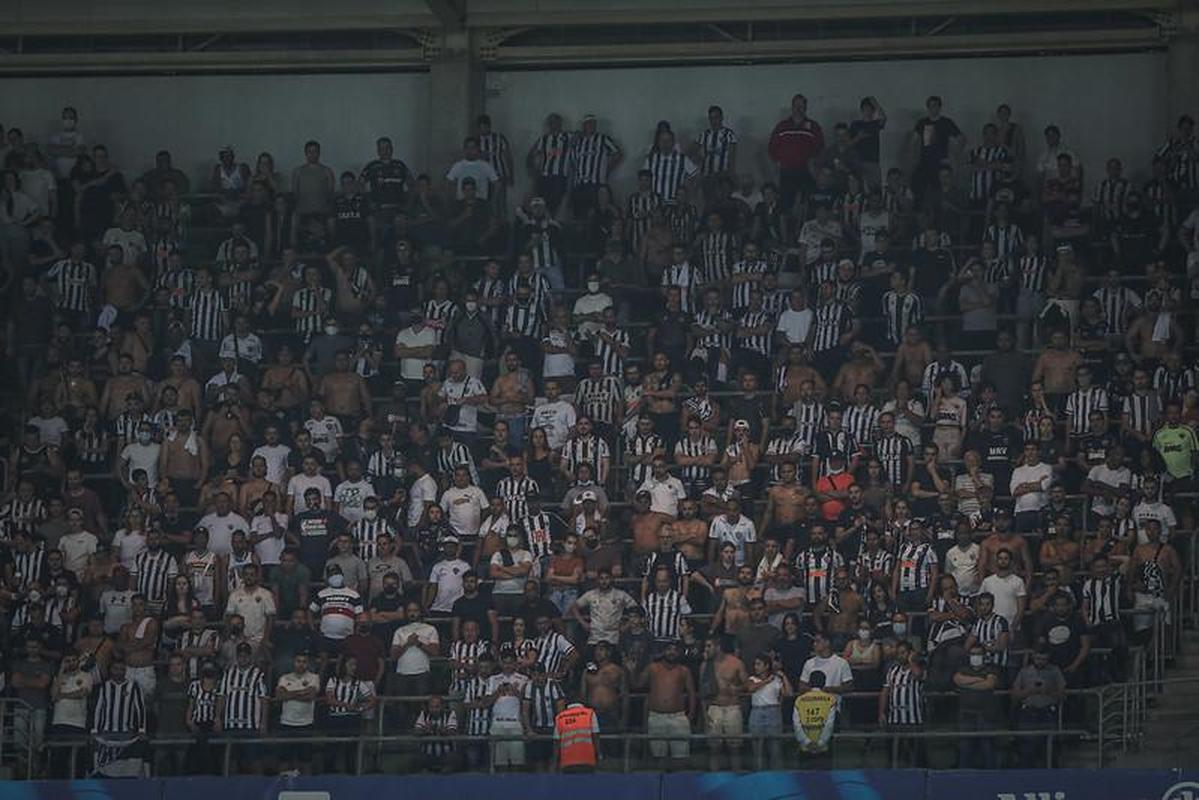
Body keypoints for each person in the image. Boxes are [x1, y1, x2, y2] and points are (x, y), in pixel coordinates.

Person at [793, 669, 838, 765]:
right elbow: (830, 723)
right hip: (824, 747)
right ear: (824, 682)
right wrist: (821, 742)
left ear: (809, 683)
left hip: (804, 747)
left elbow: (796, 724)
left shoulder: (799, 700)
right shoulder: (830, 699)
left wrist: (806, 741)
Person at [554, 700, 600, 772]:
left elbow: (556, 743)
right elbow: (595, 736)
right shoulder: (590, 713)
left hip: (567, 762)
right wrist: (598, 755)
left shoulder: (560, 717)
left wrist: (555, 763)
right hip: (588, 760)